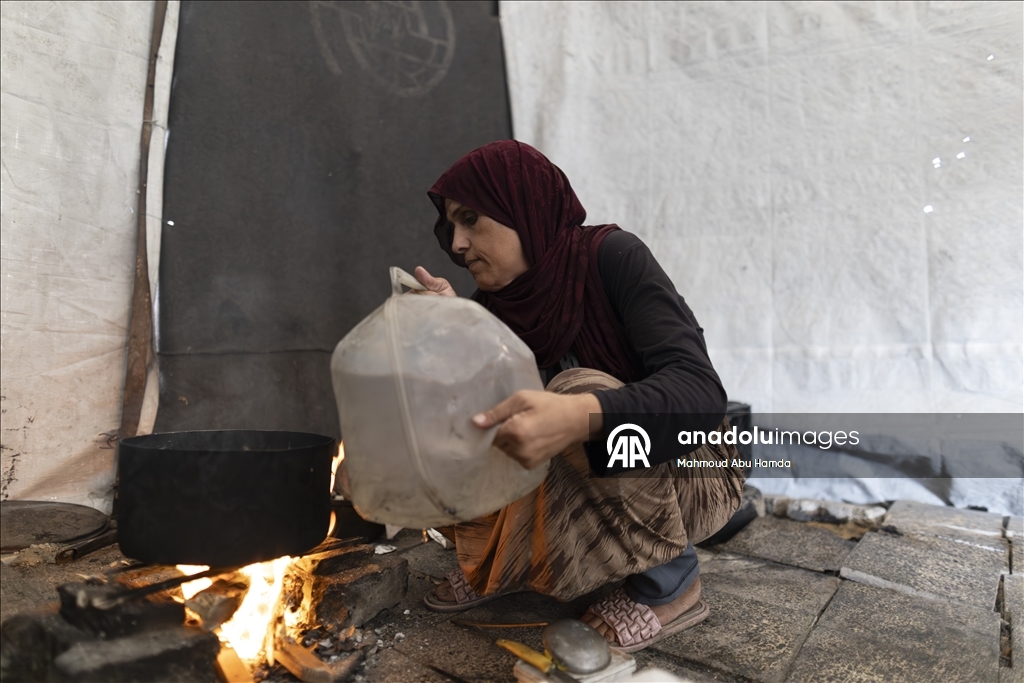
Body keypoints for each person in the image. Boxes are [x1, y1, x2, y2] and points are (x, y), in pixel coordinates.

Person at [412, 140, 744, 652]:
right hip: (592, 478)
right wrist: (460, 329)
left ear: (522, 207)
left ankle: (669, 585)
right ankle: (499, 560)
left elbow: (700, 393)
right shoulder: (498, 304)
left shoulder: (613, 257)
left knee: (577, 389)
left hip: (692, 467)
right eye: (451, 226)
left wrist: (583, 413)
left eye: (472, 219)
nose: (456, 244)